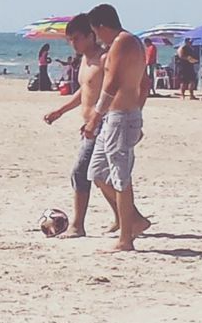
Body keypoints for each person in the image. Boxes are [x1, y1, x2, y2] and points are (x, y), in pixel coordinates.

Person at [43, 13, 136, 238]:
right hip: (89, 125)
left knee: (81, 173)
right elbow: (85, 91)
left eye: (76, 38)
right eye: (69, 40)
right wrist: (61, 111)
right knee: (101, 175)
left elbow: (112, 90)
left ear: (90, 36)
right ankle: (124, 218)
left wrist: (98, 119)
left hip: (103, 124)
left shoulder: (105, 58)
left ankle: (78, 225)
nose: (73, 44)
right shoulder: (84, 60)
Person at [82, 4, 151, 252]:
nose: (97, 37)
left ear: (100, 26)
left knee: (121, 176)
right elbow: (145, 84)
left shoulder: (123, 42)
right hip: (118, 117)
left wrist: (95, 117)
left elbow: (112, 84)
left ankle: (126, 239)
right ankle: (134, 219)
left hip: (120, 117)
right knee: (97, 172)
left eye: (95, 31)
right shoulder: (131, 43)